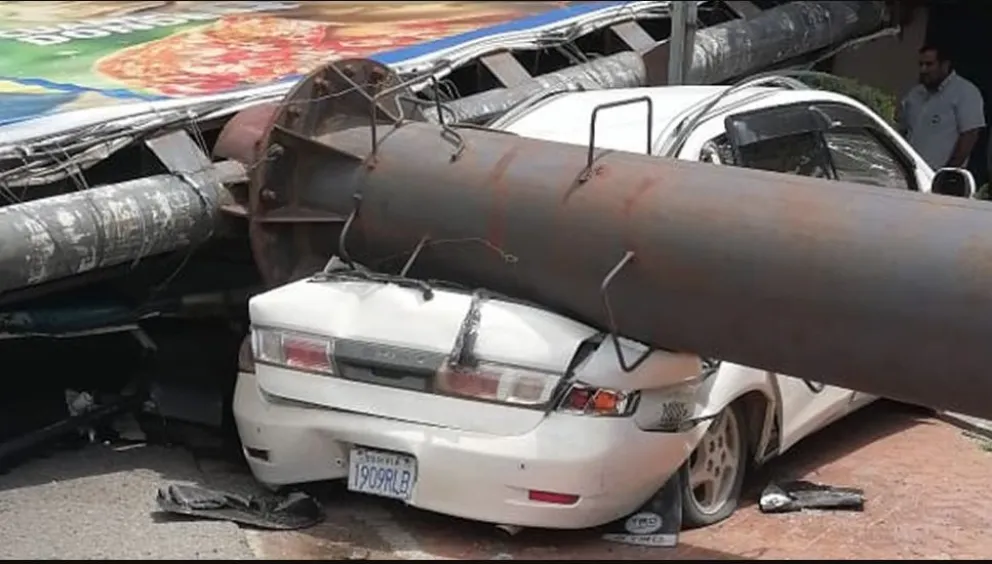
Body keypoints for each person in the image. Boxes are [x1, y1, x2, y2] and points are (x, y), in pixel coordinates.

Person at [898, 44, 985, 170]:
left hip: (939, 176)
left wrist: (947, 173)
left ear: (945, 65)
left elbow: (970, 135)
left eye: (929, 64)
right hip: (909, 172)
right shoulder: (915, 94)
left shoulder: (965, 92)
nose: (923, 70)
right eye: (921, 64)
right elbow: (903, 130)